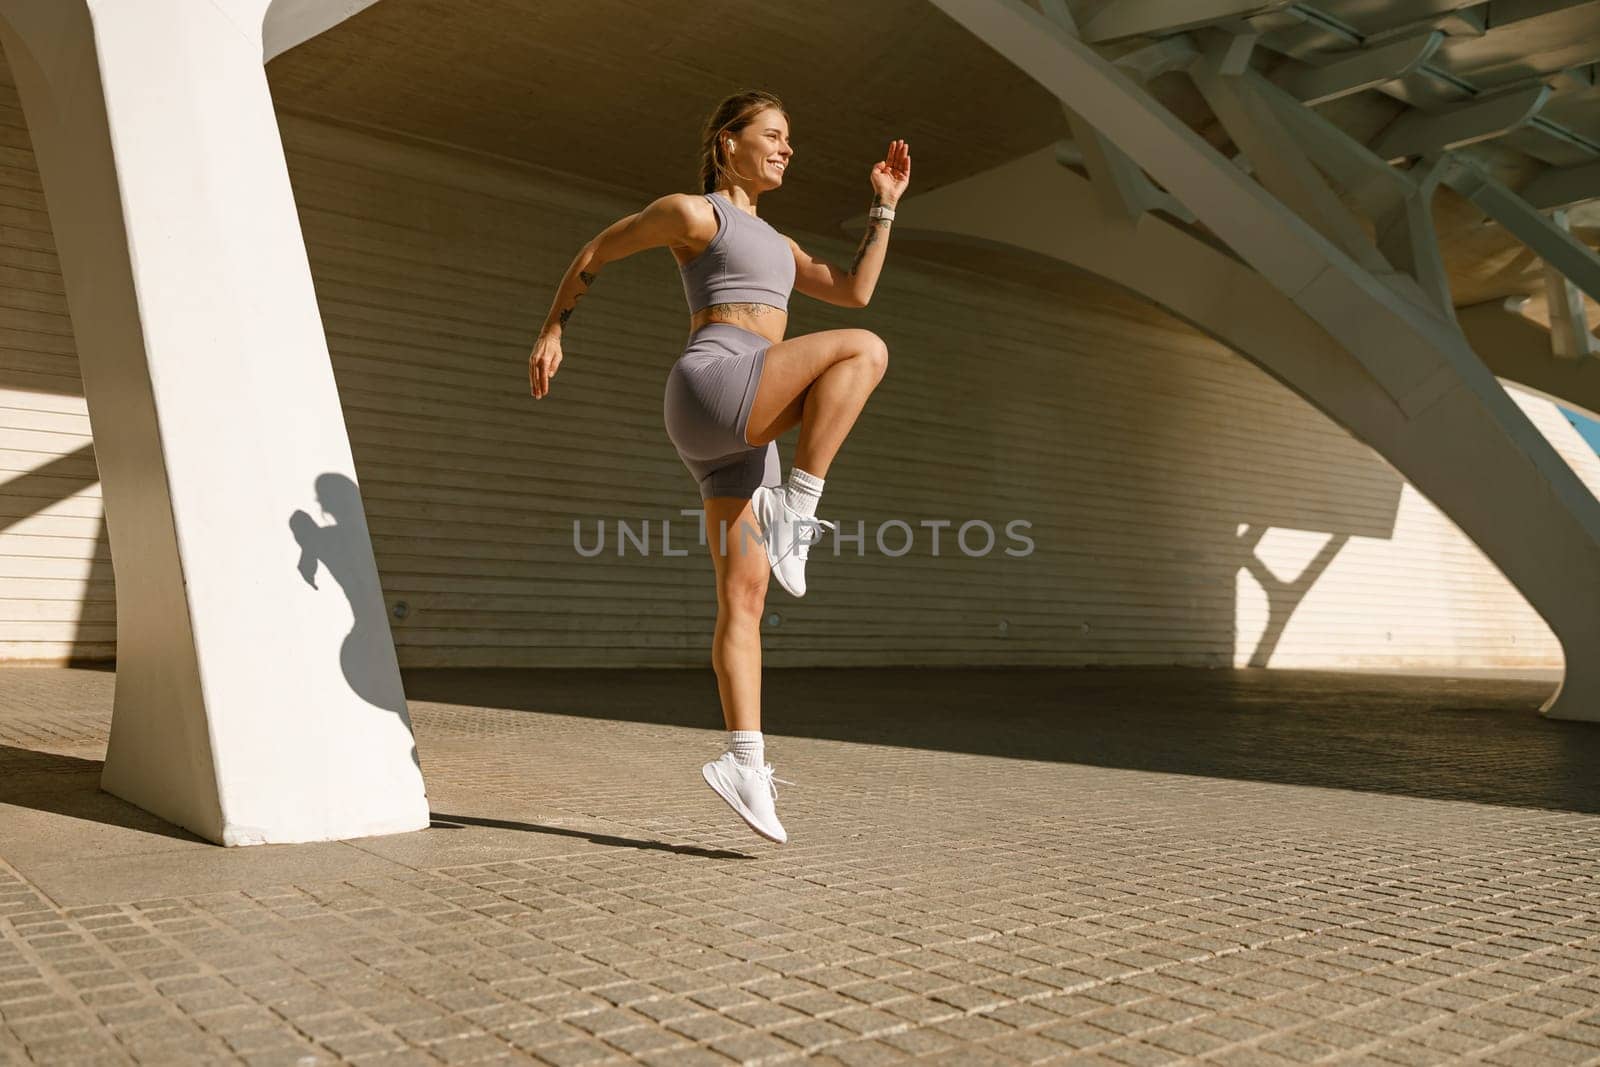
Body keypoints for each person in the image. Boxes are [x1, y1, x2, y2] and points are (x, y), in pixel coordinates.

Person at [527, 89, 910, 843]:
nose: (787, 147)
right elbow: (597, 250)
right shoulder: (696, 214)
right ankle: (799, 507)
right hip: (715, 387)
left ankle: (744, 761)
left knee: (745, 599)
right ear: (725, 143)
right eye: (772, 134)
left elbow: (854, 287)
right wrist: (552, 329)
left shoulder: (781, 245)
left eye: (790, 138)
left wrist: (885, 207)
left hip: (745, 427)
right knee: (865, 348)